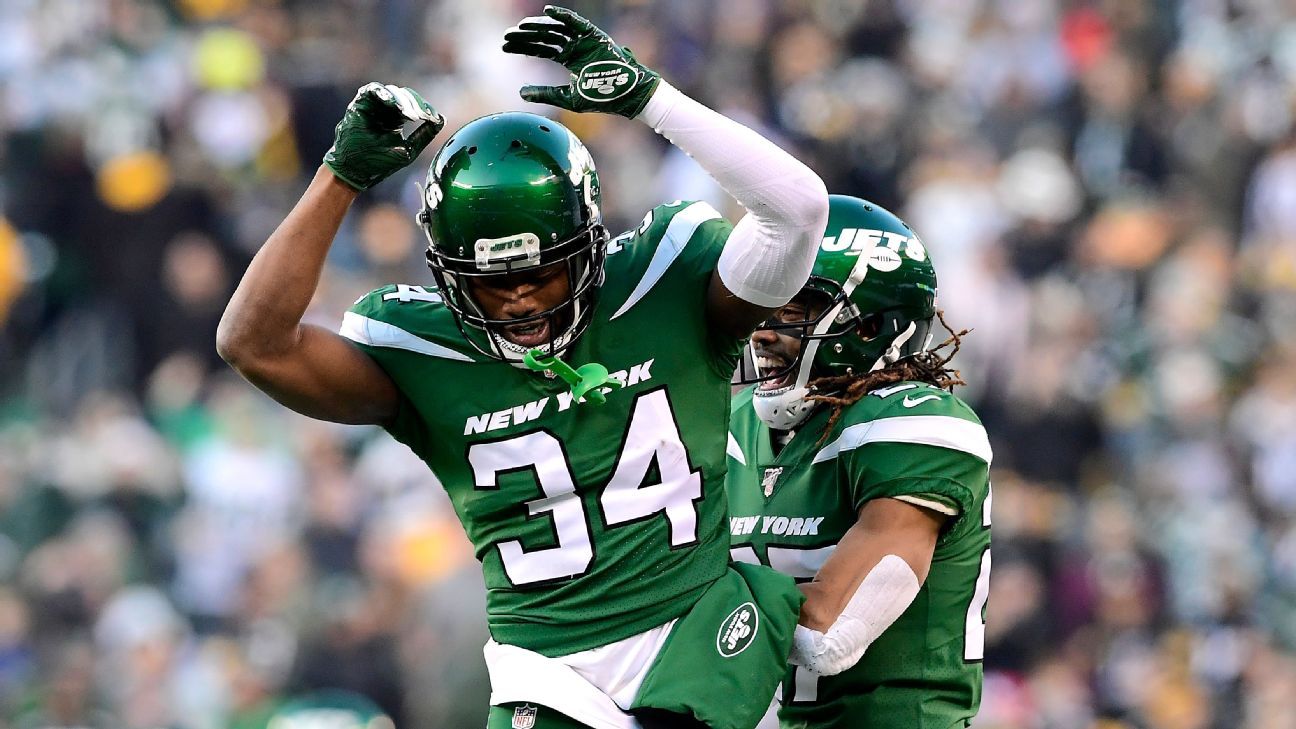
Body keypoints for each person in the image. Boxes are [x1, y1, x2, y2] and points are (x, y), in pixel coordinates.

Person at [217, 6, 830, 729]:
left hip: (701, 630)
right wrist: (340, 176)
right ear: (446, 276)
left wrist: (650, 100)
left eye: (541, 272)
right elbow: (251, 342)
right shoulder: (421, 351)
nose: (517, 299)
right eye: (488, 281)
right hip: (547, 672)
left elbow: (798, 210)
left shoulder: (667, 282)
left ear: (590, 245)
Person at [725, 196, 992, 728]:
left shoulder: (914, 424)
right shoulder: (735, 426)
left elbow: (828, 633)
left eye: (794, 311)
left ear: (868, 327)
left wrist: (678, 603)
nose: (763, 331)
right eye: (763, 308)